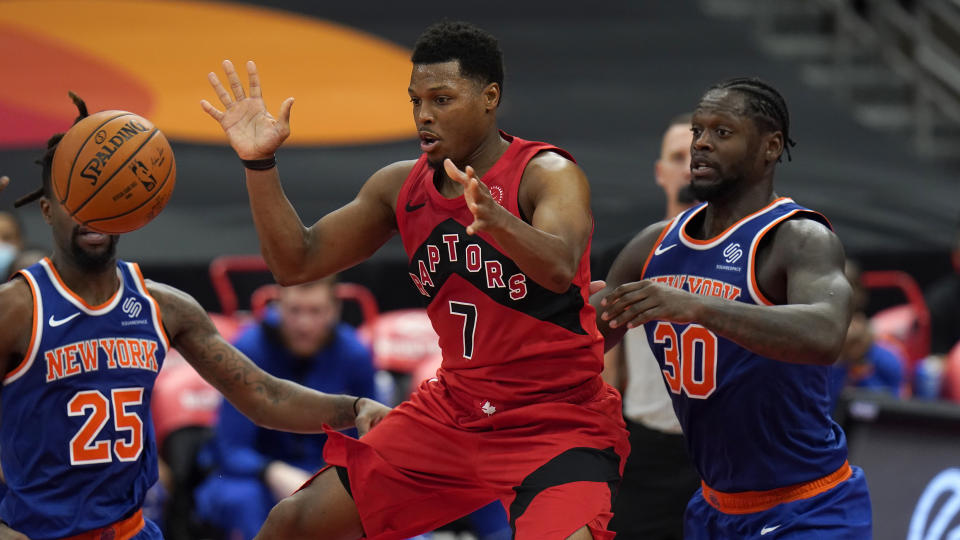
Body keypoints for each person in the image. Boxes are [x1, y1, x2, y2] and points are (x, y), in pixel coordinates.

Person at [202, 21, 629, 540]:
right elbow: (296, 263)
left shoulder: (546, 173)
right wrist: (259, 163)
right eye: (416, 101)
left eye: (442, 99)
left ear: (490, 97)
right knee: (291, 524)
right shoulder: (398, 186)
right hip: (456, 411)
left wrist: (500, 222)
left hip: (556, 421)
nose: (424, 115)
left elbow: (561, 266)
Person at [0, 97, 390, 539]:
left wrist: (353, 407)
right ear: (47, 211)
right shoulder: (16, 308)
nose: (91, 210)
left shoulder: (165, 307)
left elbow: (264, 396)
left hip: (131, 531)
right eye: (75, 198)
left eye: (107, 191)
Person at [595, 77, 872, 538]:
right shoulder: (654, 243)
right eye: (698, 131)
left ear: (770, 147)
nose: (701, 143)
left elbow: (826, 335)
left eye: (722, 132)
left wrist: (697, 307)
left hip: (807, 507)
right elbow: (578, 333)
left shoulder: (798, 238)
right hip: (712, 508)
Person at [194, 278, 378, 539]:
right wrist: (272, 471)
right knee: (239, 498)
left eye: (315, 311)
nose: (304, 324)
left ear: (335, 310)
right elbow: (229, 447)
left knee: (389, 507)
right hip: (261, 474)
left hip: (330, 472)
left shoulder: (355, 354)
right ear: (278, 306)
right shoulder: (248, 348)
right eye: (294, 311)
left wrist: (328, 483)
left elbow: (368, 441)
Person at [605, 113, 700, 540]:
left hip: (721, 447)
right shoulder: (635, 256)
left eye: (697, 156)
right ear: (661, 173)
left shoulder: (744, 254)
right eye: (677, 157)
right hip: (647, 448)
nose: (688, 166)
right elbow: (606, 361)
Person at [827, 260, 904, 408]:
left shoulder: (887, 357)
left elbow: (890, 411)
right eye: (830, 286)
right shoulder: (805, 350)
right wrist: (840, 360)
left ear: (861, 295)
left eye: (848, 285)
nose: (838, 294)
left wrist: (859, 363)